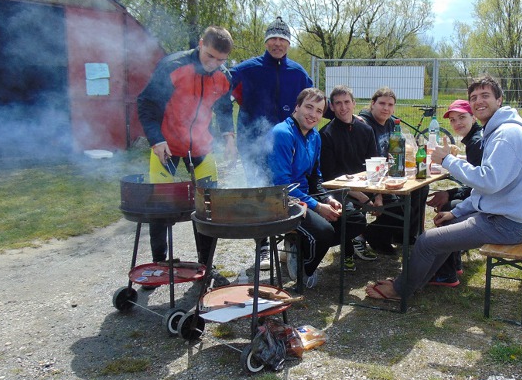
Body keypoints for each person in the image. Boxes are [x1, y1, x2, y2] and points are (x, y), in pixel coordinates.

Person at [365, 75, 522, 303]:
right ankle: (418, 280)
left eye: (485, 96)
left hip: (508, 224)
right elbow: (487, 189)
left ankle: (400, 290)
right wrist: (457, 212)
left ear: (499, 100)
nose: (479, 101)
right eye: (474, 97)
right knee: (446, 222)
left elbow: (488, 182)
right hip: (505, 214)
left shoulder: (506, 135)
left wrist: (448, 160)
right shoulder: (499, 131)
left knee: (426, 240)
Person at [137, 25, 236, 288]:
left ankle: (206, 266)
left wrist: (228, 135)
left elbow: (225, 106)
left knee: (208, 208)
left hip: (202, 148)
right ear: (201, 44)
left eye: (221, 60)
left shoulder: (223, 75)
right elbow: (146, 103)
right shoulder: (173, 66)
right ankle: (159, 265)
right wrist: (156, 139)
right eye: (210, 56)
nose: (214, 64)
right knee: (161, 210)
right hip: (166, 146)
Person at [218, 16, 313, 269]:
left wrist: (344, 115)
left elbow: (316, 103)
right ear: (266, 41)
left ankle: (292, 243)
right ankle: (262, 247)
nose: (277, 43)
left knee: (288, 193)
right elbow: (219, 97)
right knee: (259, 196)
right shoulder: (246, 69)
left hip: (287, 146)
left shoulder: (298, 72)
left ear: (289, 43)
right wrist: (228, 134)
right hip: (253, 145)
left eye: (282, 39)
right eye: (273, 38)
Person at [269, 88, 366, 289]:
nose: (313, 115)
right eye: (309, 107)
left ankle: (301, 246)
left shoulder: (315, 136)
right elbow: (282, 184)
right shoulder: (282, 133)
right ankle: (305, 269)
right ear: (297, 107)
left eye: (319, 111)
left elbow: (316, 176)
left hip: (306, 194)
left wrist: (328, 199)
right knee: (324, 230)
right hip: (281, 199)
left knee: (355, 219)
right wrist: (317, 207)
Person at [357, 87, 428, 254]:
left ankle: (405, 235)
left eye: (390, 105)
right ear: (372, 104)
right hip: (369, 177)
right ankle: (374, 235)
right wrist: (377, 195)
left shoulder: (391, 123)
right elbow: (365, 160)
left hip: (389, 174)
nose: (386, 108)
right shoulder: (364, 124)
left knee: (421, 188)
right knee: (402, 205)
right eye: (382, 103)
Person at [319, 85, 380, 270]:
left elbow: (375, 164)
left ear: (354, 104)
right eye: (338, 103)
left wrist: (377, 195)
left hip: (366, 185)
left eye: (347, 102)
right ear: (331, 106)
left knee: (395, 204)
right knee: (350, 212)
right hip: (338, 188)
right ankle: (347, 251)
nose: (343, 107)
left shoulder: (366, 130)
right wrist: (359, 195)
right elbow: (329, 176)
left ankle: (365, 239)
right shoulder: (326, 134)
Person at [425, 99, 484, 286]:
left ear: (473, 117)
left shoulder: (476, 142)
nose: (457, 123)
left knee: (448, 212)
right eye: (452, 120)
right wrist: (450, 193)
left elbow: (480, 186)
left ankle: (446, 274)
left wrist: (450, 195)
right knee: (449, 204)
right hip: (488, 198)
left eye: (462, 117)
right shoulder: (475, 138)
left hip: (493, 208)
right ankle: (454, 263)